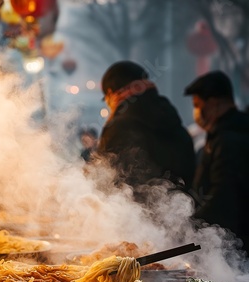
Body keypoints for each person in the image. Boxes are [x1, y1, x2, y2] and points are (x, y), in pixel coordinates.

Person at [96, 61, 196, 194]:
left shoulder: (119, 127)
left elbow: (108, 178)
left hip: (135, 212)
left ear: (110, 93)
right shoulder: (172, 120)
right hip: (180, 209)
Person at [184, 70, 249, 253]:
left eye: (197, 105)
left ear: (213, 104)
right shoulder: (223, 133)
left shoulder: (230, 138)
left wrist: (191, 228)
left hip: (237, 243)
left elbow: (225, 194)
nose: (196, 112)